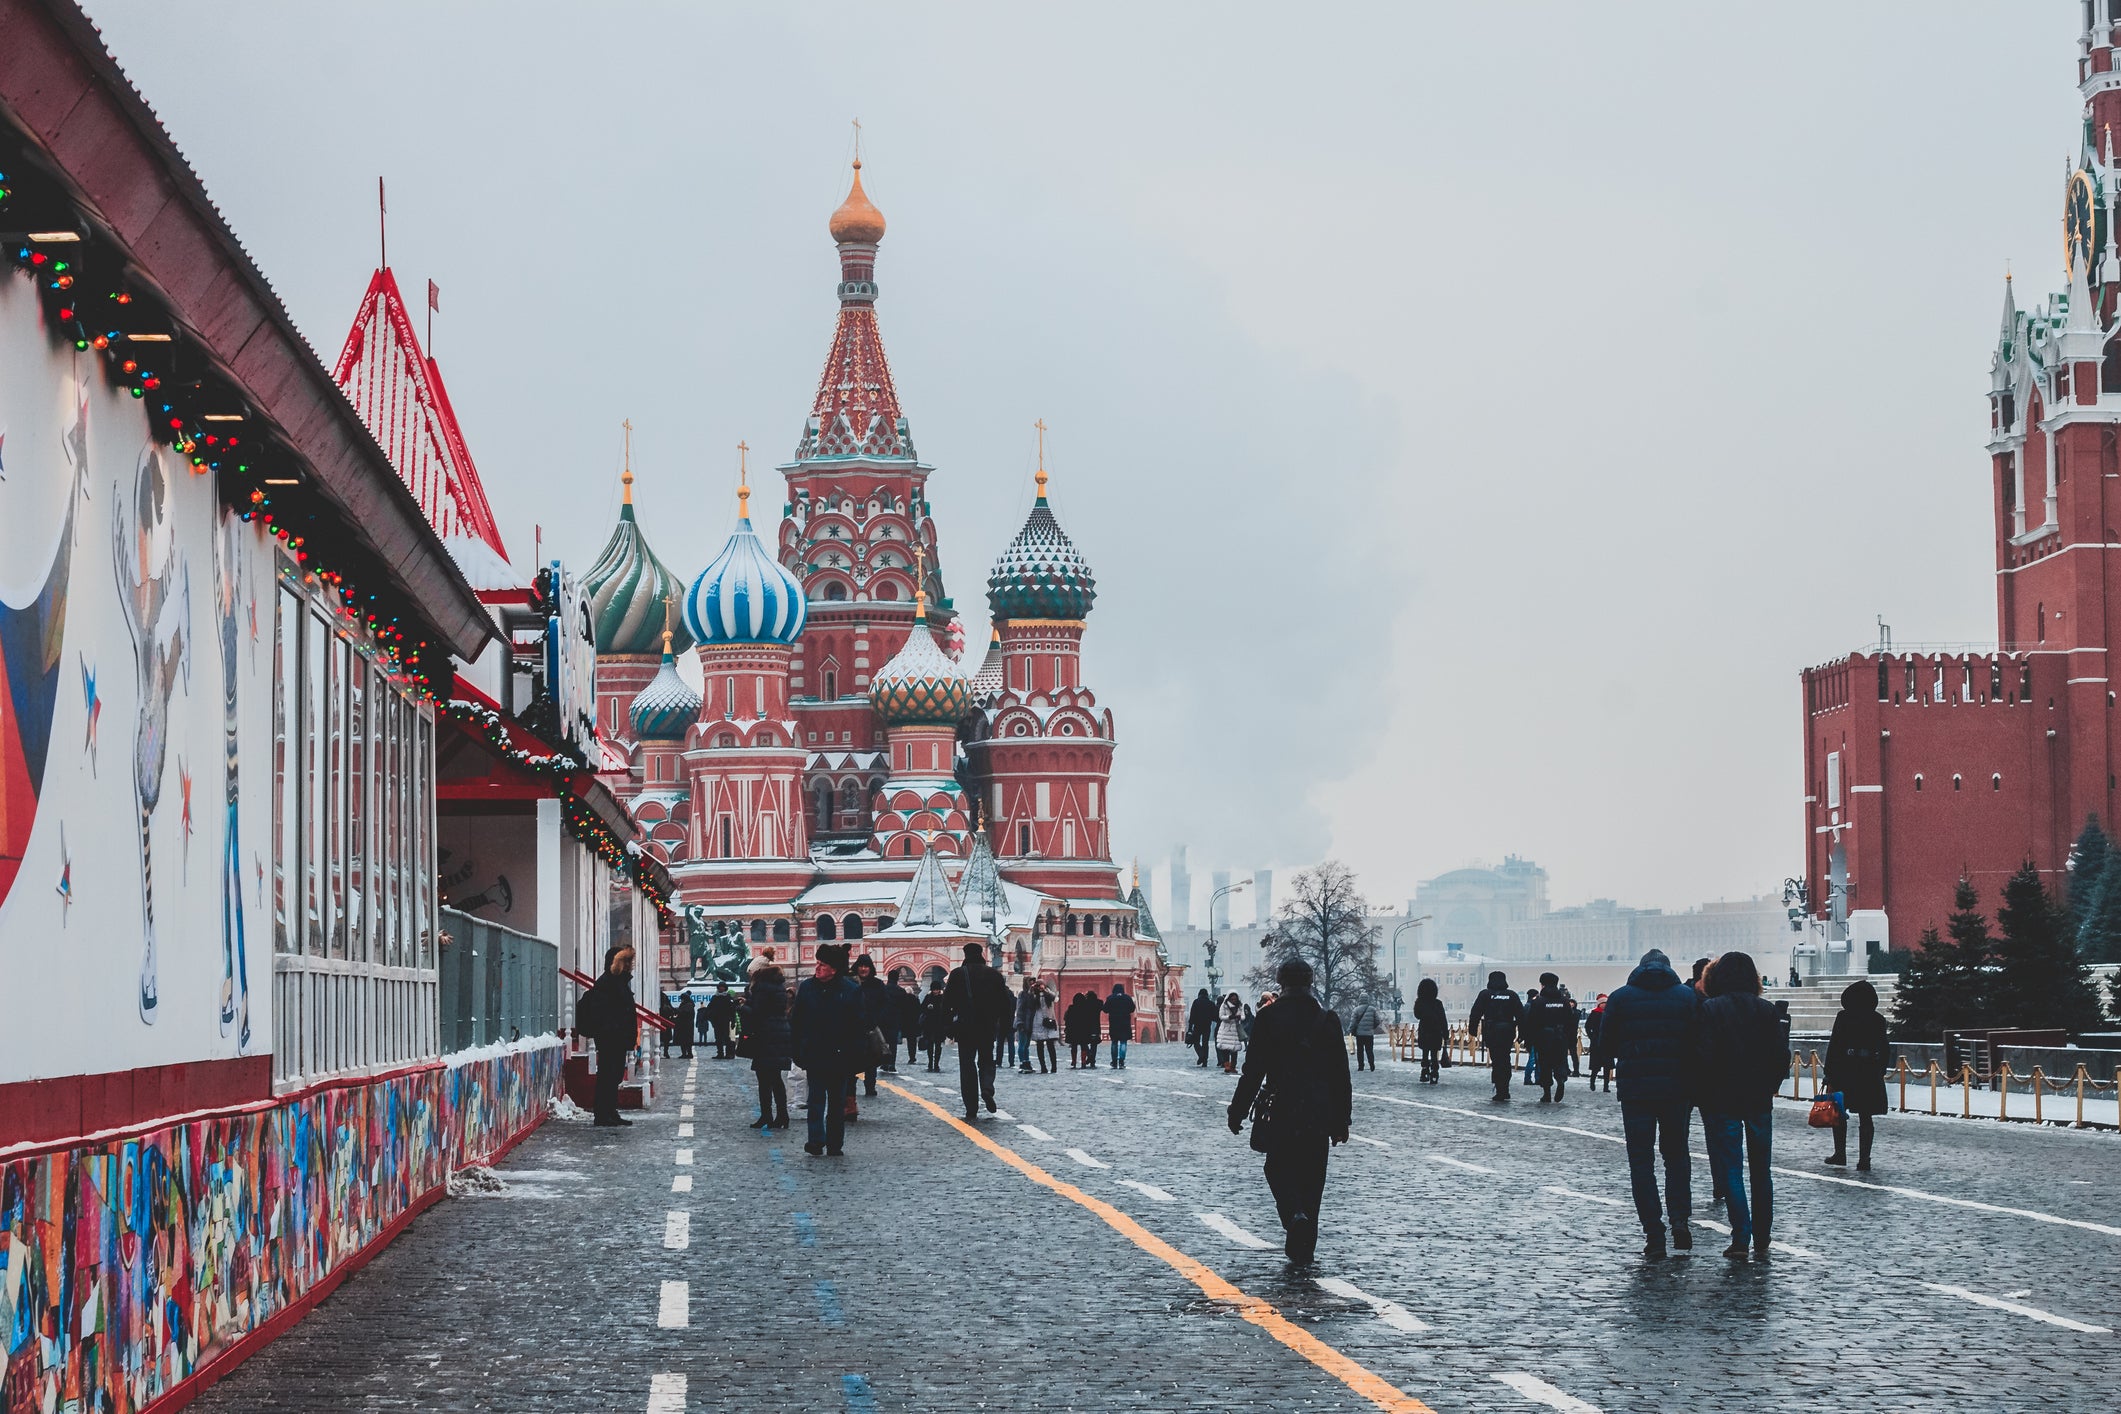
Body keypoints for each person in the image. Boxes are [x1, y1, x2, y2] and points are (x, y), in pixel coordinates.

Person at [1227, 959, 1352, 1265]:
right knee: (1314, 1177)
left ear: (1281, 982)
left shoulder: (1269, 1018)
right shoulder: (1327, 1019)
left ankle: (1293, 1215)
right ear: (1310, 982)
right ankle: (1305, 1247)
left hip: (1281, 1106)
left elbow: (1253, 1070)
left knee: (1277, 1168)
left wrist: (1238, 1110)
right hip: (1318, 1110)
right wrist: (1342, 1120)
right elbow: (1340, 1075)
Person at [1600, 948, 1701, 1260]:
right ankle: (1680, 1219)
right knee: (1677, 1156)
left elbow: (1606, 1044)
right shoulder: (1686, 997)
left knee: (1641, 1162)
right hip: (1677, 1089)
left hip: (1636, 1091)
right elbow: (1699, 1042)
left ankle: (1653, 1231)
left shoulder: (1620, 997)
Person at [1695, 951, 1788, 1261]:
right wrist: (1770, 1086)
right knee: (1762, 1171)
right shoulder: (1767, 1010)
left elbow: (1704, 1056)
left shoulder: (1711, 1009)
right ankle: (1763, 1235)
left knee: (1732, 1169)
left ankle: (1740, 1236)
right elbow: (1780, 1057)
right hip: (1759, 1098)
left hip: (1724, 1098)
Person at [789, 942, 864, 1157]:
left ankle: (834, 1143)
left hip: (841, 1055)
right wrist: (797, 1050)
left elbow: (859, 1024)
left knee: (836, 1102)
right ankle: (815, 1140)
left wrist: (854, 1054)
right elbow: (797, 1021)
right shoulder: (807, 988)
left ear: (834, 969)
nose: (818, 968)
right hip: (814, 1053)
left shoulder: (850, 990)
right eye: (818, 963)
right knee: (815, 1100)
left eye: (823, 964)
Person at [944, 942, 1015, 1120]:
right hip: (987, 1026)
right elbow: (1005, 1005)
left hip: (965, 1026)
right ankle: (986, 1088)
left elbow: (946, 1004)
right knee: (986, 1060)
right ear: (981, 954)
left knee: (967, 1064)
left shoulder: (958, 974)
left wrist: (947, 1026)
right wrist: (1005, 1026)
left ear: (966, 955)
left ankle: (971, 1107)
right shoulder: (994, 975)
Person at [1824, 979, 1888, 1171]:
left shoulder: (1844, 1017)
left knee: (1839, 1114)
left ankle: (1840, 1154)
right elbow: (1885, 1048)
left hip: (1846, 1069)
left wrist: (1829, 1073)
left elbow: (1835, 1046)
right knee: (1866, 1117)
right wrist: (1881, 1070)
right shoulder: (1878, 1019)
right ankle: (1864, 1159)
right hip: (1869, 1071)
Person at [577, 947, 640, 1127]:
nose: (629, 965)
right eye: (625, 961)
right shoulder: (608, 983)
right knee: (608, 1076)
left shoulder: (618, 982)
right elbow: (606, 1013)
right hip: (610, 1039)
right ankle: (603, 1114)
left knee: (614, 1076)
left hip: (616, 1038)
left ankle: (610, 1111)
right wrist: (617, 1031)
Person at [1689, 956, 1728, 1209]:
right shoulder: (1692, 1001)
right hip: (1690, 1076)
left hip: (1713, 1080)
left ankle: (1721, 1182)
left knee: (1716, 1133)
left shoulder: (1716, 1001)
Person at [742, 957, 793, 1131]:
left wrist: (742, 1007)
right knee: (776, 1078)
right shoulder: (777, 985)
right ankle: (782, 1115)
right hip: (778, 1033)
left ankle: (767, 1115)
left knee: (764, 1079)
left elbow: (758, 1013)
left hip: (766, 1035)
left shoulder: (762, 987)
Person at [1467, 971, 1525, 1102]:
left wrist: (1473, 1029)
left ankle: (1500, 1088)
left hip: (1491, 1031)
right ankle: (1505, 1088)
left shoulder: (1485, 994)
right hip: (1507, 1030)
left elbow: (1475, 1012)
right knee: (1505, 1059)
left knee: (1497, 1060)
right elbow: (1521, 1016)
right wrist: (1522, 1033)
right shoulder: (1512, 995)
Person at [1523, 973, 1577, 1103]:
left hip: (1543, 1037)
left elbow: (1531, 1022)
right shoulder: (1564, 1001)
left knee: (1545, 1064)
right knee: (1560, 1061)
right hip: (1560, 1036)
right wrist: (1569, 1039)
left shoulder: (1539, 1002)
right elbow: (1570, 1021)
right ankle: (1561, 1081)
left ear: (1542, 984)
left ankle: (1546, 1092)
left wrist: (1529, 1040)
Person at [852, 954, 897, 1097]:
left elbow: (885, 1004)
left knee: (871, 1058)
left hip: (871, 1026)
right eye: (861, 966)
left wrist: (877, 1019)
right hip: (852, 1027)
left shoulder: (877, 984)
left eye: (866, 966)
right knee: (851, 1060)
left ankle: (870, 1086)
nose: (863, 969)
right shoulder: (850, 983)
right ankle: (850, 1089)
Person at [1412, 978, 1448, 1083]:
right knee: (1434, 1053)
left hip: (1424, 1030)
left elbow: (1417, 1015)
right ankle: (1434, 1071)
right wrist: (1445, 1033)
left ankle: (1424, 1070)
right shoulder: (1438, 1003)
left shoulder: (1420, 1002)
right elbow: (1443, 1019)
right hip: (1436, 1031)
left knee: (1425, 1052)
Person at [1584, 993, 1613, 1092]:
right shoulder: (1594, 1013)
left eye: (1606, 1003)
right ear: (1599, 1004)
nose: (1604, 1005)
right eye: (1603, 1003)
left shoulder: (1610, 1013)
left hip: (1608, 1042)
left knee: (1607, 1066)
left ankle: (1606, 1086)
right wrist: (1592, 1037)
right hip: (1596, 1042)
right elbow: (1587, 1026)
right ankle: (1592, 1081)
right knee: (1595, 1066)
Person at [919, 980, 950, 1071]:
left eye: (937, 990)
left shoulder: (943, 998)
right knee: (930, 1045)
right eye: (934, 990)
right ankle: (930, 1062)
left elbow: (946, 1011)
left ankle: (936, 1063)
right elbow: (922, 1008)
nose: (935, 991)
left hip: (939, 1025)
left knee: (938, 1045)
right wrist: (928, 1009)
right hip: (929, 1025)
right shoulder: (928, 998)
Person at [1105, 984, 1137, 1069]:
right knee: (1123, 1042)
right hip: (1125, 1023)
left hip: (1114, 1023)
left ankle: (1114, 1061)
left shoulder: (1110, 998)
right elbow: (1132, 1009)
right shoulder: (1127, 998)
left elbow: (1105, 1009)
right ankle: (1121, 1061)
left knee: (1114, 1042)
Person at [1348, 996, 1382, 1072]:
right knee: (1369, 1050)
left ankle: (1361, 1066)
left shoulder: (1356, 1010)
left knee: (1360, 1051)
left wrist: (1350, 1030)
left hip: (1359, 1034)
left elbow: (1353, 1022)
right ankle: (1372, 1065)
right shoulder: (1372, 1009)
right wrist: (1372, 1027)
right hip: (1369, 1034)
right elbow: (1378, 1020)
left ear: (1360, 1000)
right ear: (1367, 1000)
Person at [704, 983, 737, 1060]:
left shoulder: (728, 998)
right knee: (718, 1038)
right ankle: (720, 1053)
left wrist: (733, 1020)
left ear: (725, 988)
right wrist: (709, 1016)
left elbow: (732, 1010)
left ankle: (729, 1053)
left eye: (722, 987)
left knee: (726, 1038)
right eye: (720, 987)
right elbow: (709, 1008)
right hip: (716, 1021)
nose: (721, 989)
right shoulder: (715, 997)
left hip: (725, 1021)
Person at [1014, 978, 1041, 1074]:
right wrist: (1020, 1022)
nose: (1032, 984)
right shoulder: (1023, 994)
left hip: (1031, 1023)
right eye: (1031, 982)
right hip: (1023, 1022)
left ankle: (1027, 1061)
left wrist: (1037, 994)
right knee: (1022, 1044)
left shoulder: (1033, 995)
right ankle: (1022, 1063)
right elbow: (1020, 1009)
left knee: (1026, 1045)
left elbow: (1038, 1006)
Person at [1214, 992, 1245, 1073]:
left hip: (1235, 1029)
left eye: (1235, 999)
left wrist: (1239, 1017)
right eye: (1232, 999)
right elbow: (1221, 1016)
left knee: (1235, 1049)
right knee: (1225, 1049)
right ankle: (1227, 1065)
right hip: (1226, 1029)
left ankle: (1233, 1066)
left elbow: (1243, 1016)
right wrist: (1229, 1017)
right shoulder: (1224, 1005)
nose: (1234, 1000)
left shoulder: (1240, 1006)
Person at [1033, 984, 1061, 1072]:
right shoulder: (1035, 996)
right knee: (1044, 1046)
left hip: (1044, 1022)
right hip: (1042, 1022)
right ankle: (1047, 1067)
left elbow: (1056, 999)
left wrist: (1046, 991)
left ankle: (1049, 1067)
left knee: (1047, 1047)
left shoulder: (1047, 996)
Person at [1186, 987, 1217, 1066]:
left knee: (1196, 1042)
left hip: (1197, 1026)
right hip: (1207, 1026)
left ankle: (1201, 1055)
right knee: (1205, 1043)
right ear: (1207, 995)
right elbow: (1215, 1016)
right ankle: (1205, 1060)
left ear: (1199, 994)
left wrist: (1190, 1027)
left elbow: (1192, 1015)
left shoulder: (1196, 1002)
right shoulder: (1210, 1003)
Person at [673, 989, 696, 1061]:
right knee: (685, 1041)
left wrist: (677, 1011)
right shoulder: (687, 1004)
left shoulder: (688, 1005)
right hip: (685, 1026)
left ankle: (687, 1053)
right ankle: (686, 1053)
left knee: (686, 1040)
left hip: (686, 1026)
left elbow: (684, 1013)